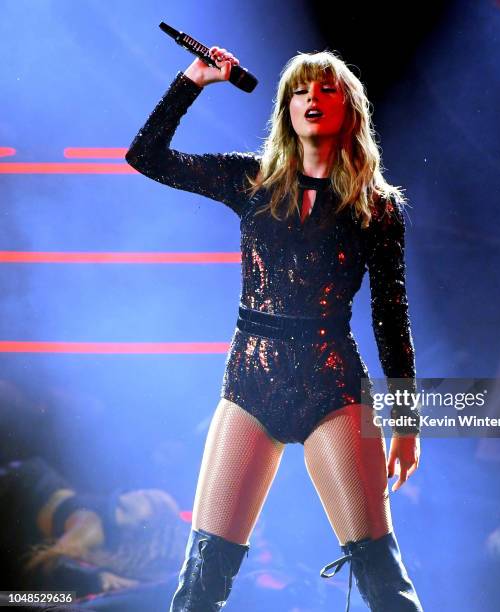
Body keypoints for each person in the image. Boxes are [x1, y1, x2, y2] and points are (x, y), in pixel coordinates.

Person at [125, 45, 424, 612]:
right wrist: (194, 79)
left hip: (330, 387)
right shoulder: (251, 181)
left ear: (350, 110)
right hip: (250, 386)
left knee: (384, 583)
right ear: (287, 109)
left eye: (327, 89)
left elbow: (391, 317)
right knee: (200, 583)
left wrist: (406, 425)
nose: (312, 97)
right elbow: (146, 156)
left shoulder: (375, 207)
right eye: (300, 90)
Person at [0, 457, 189, 598]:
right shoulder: (97, 524)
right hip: (21, 491)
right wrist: (97, 578)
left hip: (22, 492)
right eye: (147, 492)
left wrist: (97, 578)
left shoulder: (100, 526)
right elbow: (51, 563)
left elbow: (50, 566)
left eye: (151, 501)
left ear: (145, 524)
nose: (141, 493)